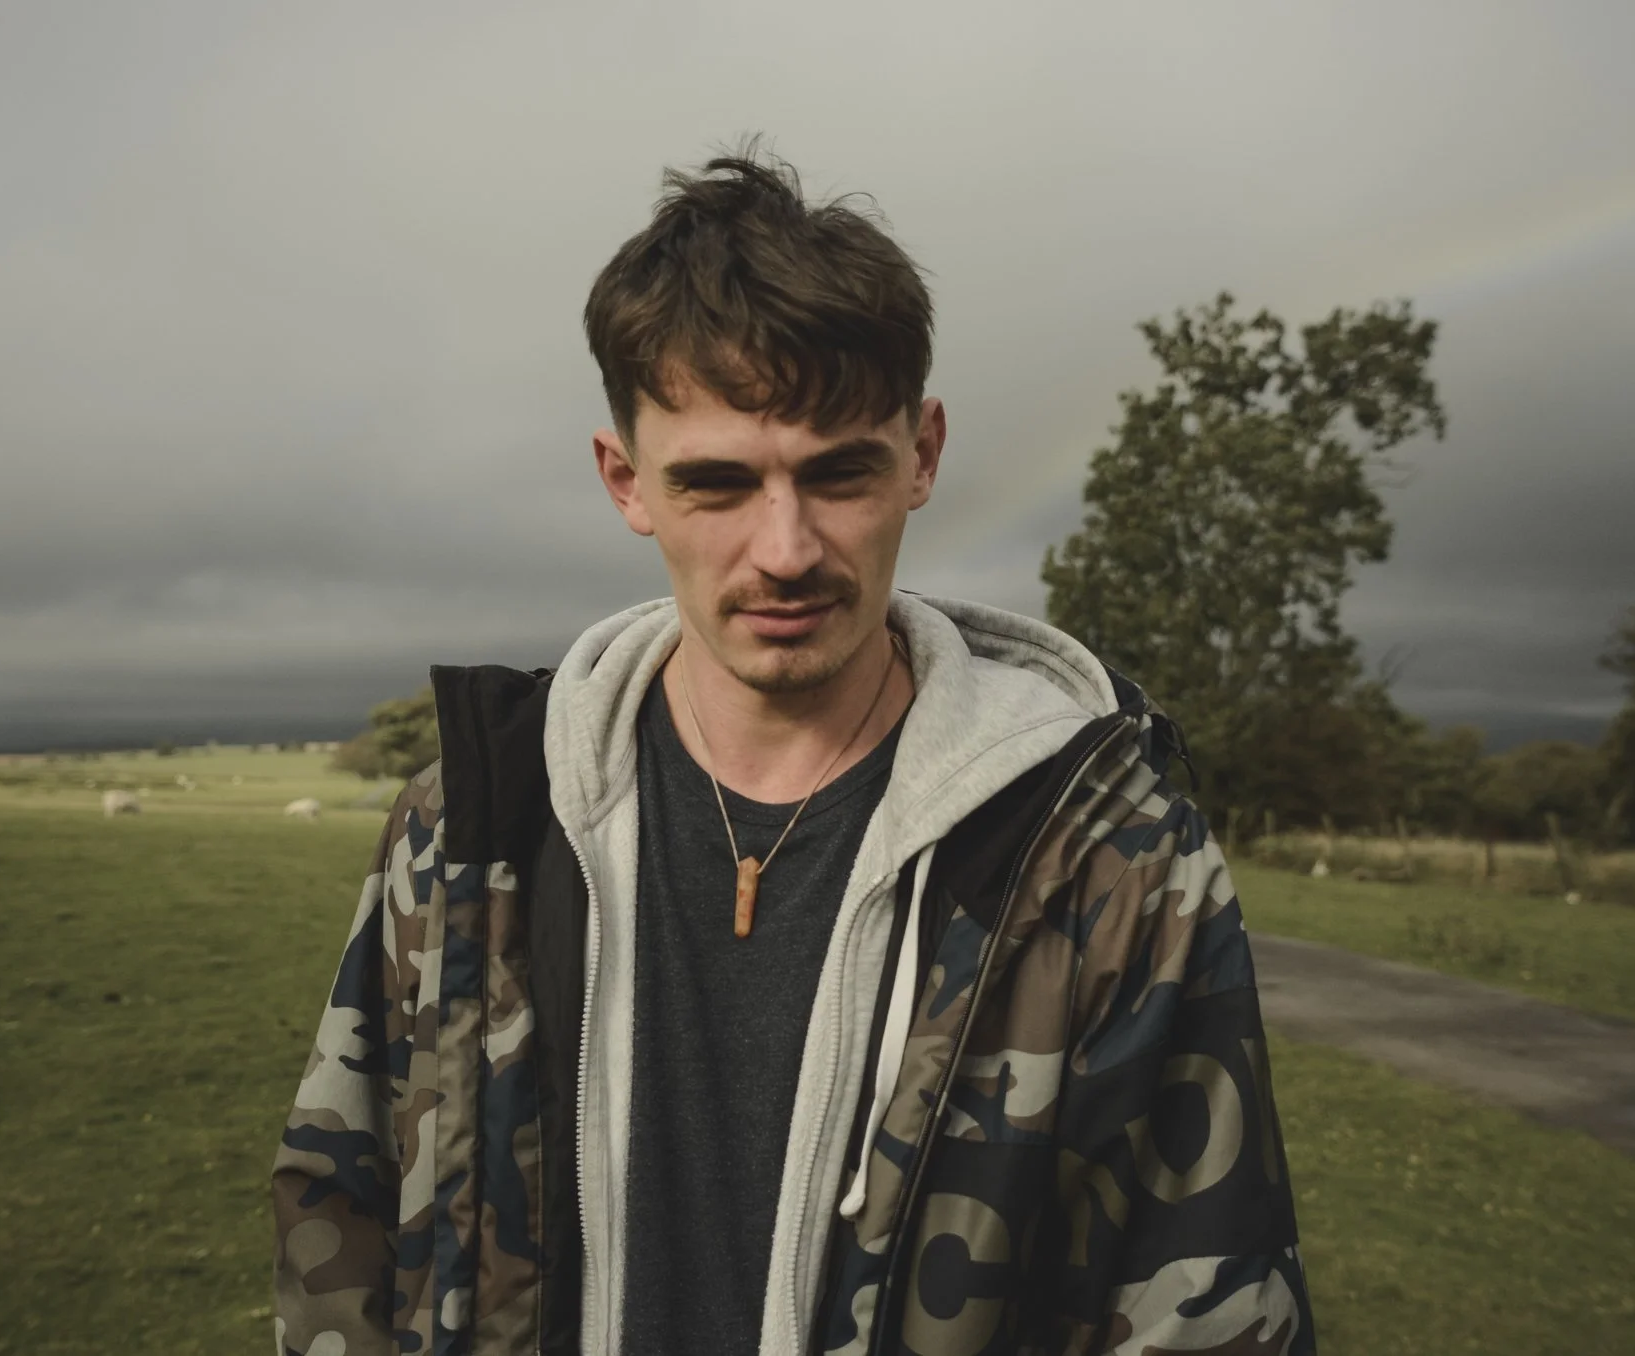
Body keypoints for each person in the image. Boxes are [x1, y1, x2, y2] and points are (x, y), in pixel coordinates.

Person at [271, 147, 1313, 1356]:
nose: (784, 549)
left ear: (920, 456)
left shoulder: (1112, 864)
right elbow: (337, 1202)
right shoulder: (473, 828)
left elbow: (1209, 1302)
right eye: (715, 484)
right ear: (626, 482)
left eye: (838, 473)